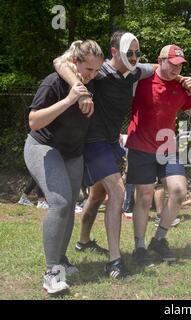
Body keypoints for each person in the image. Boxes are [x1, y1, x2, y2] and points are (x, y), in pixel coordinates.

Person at [54, 31, 156, 279]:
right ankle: (115, 262)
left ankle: (84, 241)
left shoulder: (133, 71)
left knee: (98, 194)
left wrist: (183, 78)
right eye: (128, 53)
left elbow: (157, 68)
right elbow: (60, 62)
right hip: (92, 140)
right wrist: (82, 90)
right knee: (118, 190)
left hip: (111, 142)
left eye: (137, 53)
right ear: (114, 52)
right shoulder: (100, 72)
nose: (134, 57)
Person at [24, 40, 104, 295]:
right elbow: (34, 122)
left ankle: (61, 260)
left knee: (70, 205)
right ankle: (51, 272)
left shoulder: (93, 84)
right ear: (75, 62)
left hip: (73, 153)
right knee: (59, 202)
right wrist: (70, 99)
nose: (91, 76)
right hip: (42, 147)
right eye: (87, 69)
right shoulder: (54, 82)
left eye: (95, 71)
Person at [126, 44, 191, 265]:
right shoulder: (141, 80)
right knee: (144, 197)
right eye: (172, 64)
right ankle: (139, 247)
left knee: (179, 191)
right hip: (140, 146)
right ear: (160, 60)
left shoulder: (181, 88)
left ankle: (159, 240)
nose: (176, 70)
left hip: (167, 146)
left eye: (180, 66)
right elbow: (124, 67)